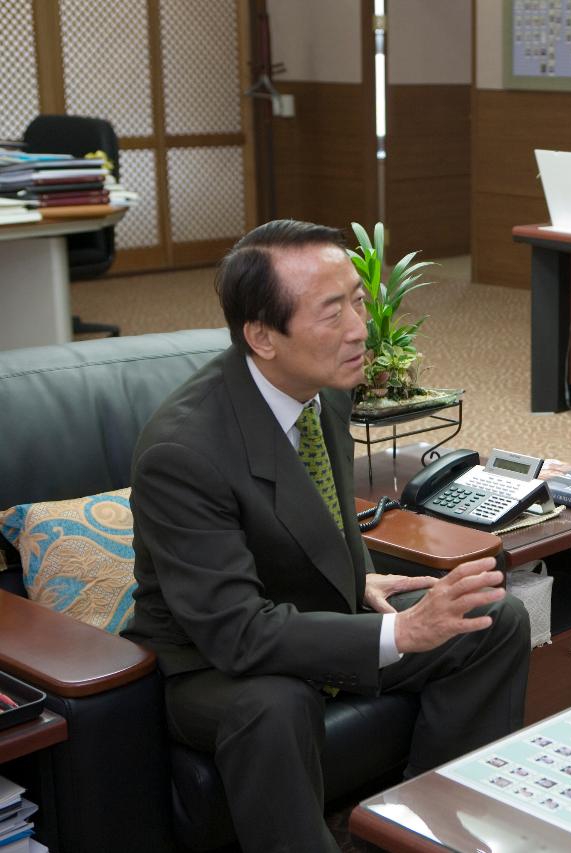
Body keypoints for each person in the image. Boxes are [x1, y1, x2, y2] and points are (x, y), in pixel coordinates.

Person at [123, 220, 530, 853]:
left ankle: (426, 832)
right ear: (261, 336)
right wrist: (401, 632)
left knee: (490, 620)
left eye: (359, 301)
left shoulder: (325, 392)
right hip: (211, 662)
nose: (359, 329)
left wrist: (356, 572)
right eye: (331, 311)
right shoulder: (183, 451)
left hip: (316, 612)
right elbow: (235, 632)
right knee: (275, 705)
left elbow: (314, 513)